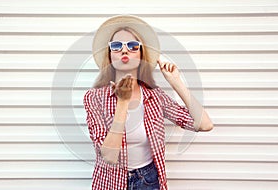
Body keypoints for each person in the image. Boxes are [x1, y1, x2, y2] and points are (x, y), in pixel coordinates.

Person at [83, 15, 213, 190]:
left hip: (148, 181)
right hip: (110, 183)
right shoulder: (94, 97)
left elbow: (204, 124)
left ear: (141, 54)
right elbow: (109, 156)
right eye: (116, 46)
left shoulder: (155, 96)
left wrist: (176, 82)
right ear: (110, 55)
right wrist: (122, 103)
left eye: (132, 46)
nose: (124, 50)